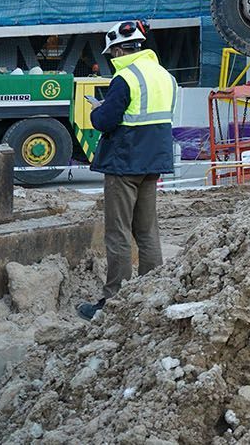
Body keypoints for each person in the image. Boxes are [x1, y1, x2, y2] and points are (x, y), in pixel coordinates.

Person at [78, 20, 177, 321]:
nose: (111, 59)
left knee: (118, 232)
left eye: (112, 53)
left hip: (125, 163)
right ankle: (151, 292)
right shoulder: (164, 75)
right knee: (147, 231)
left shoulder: (125, 77)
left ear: (121, 49)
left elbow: (106, 121)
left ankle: (114, 301)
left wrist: (98, 110)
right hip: (153, 162)